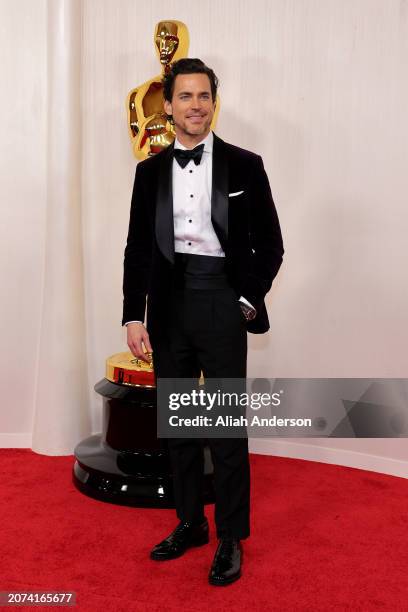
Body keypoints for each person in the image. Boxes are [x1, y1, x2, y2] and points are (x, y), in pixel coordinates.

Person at [122, 58, 284, 586]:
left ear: (214, 102)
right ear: (167, 105)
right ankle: (190, 522)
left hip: (221, 303)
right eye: (185, 97)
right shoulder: (148, 173)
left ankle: (231, 536)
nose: (196, 106)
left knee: (224, 427)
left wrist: (243, 299)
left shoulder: (246, 164)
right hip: (168, 308)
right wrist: (133, 315)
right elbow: (139, 249)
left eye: (204, 96)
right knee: (180, 429)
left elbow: (272, 246)